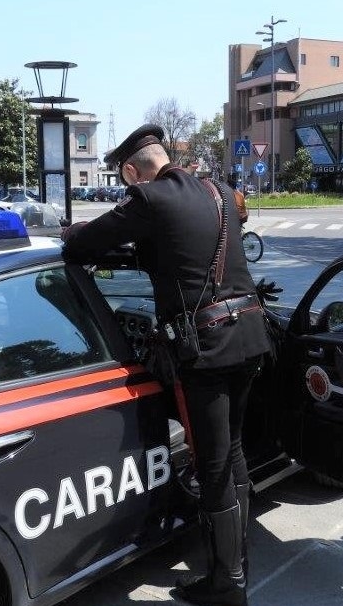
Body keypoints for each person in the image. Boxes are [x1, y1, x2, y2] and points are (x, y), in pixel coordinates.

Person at [62, 125, 271, 606]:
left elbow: (82, 246)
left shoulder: (149, 199)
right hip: (249, 337)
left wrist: (72, 231)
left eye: (125, 181)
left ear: (131, 172)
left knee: (212, 465)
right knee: (233, 453)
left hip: (207, 351)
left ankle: (228, 586)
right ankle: (237, 564)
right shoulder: (219, 192)